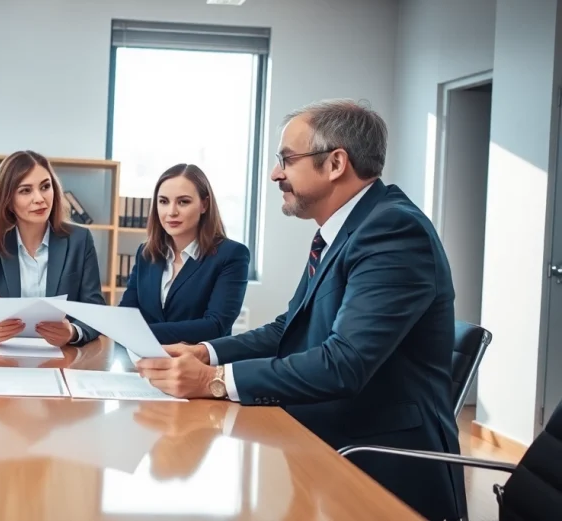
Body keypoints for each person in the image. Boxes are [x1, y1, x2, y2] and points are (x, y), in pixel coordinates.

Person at [135, 99, 466, 521]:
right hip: (327, 435)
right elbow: (287, 329)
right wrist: (207, 353)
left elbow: (344, 363)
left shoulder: (393, 230)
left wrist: (215, 381)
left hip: (379, 462)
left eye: (287, 160)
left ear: (335, 163)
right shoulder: (345, 231)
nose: (276, 174)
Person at [0, 150, 104, 346]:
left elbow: (95, 310)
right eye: (25, 190)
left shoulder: (80, 240)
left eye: (45, 186)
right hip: (2, 360)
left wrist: (73, 332)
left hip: (62, 359)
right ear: (8, 201)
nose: (39, 198)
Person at [118, 164, 250, 345]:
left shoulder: (232, 255)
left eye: (183, 202)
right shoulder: (146, 253)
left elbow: (215, 325)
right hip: (142, 361)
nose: (171, 212)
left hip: (199, 366)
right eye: (163, 201)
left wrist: (141, 332)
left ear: (204, 204)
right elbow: (127, 313)